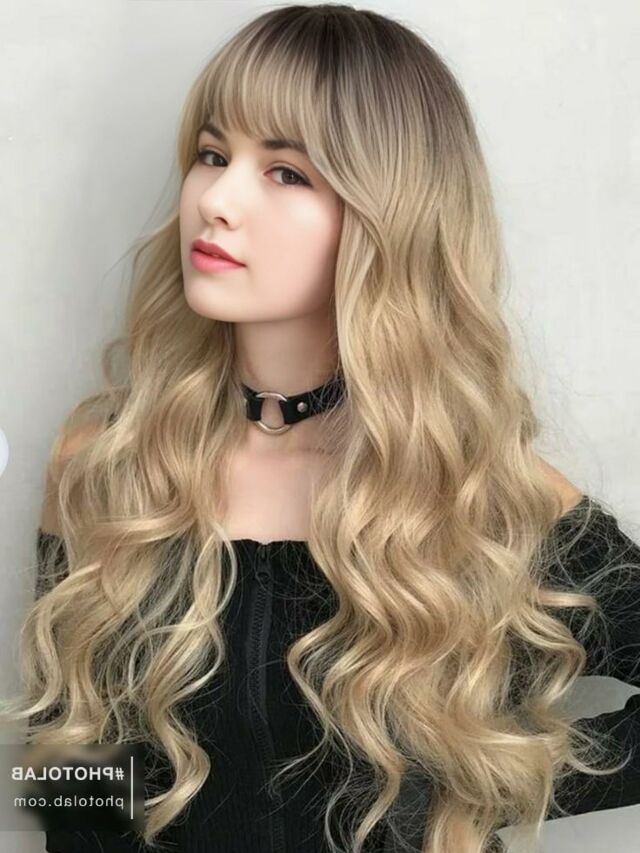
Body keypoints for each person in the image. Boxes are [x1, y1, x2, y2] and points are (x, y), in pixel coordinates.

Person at [2, 5, 638, 853]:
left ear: (388, 215)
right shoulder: (104, 463)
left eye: (287, 172)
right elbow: (67, 767)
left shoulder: (482, 495)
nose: (216, 200)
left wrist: (493, 780)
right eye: (212, 155)